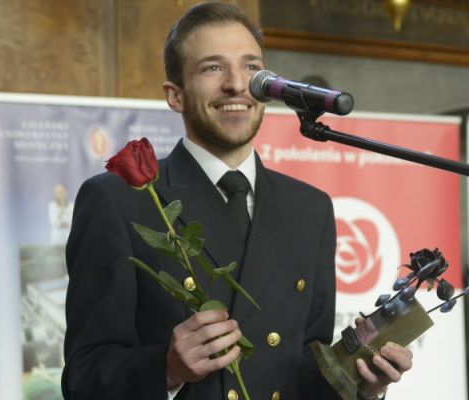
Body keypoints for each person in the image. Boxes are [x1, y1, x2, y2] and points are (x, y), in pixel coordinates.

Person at [61, 3, 412, 399]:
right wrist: (166, 368)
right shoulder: (118, 200)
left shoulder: (310, 209)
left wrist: (360, 384)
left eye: (251, 68)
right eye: (212, 67)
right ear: (175, 96)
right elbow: (83, 377)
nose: (236, 85)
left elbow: (301, 374)